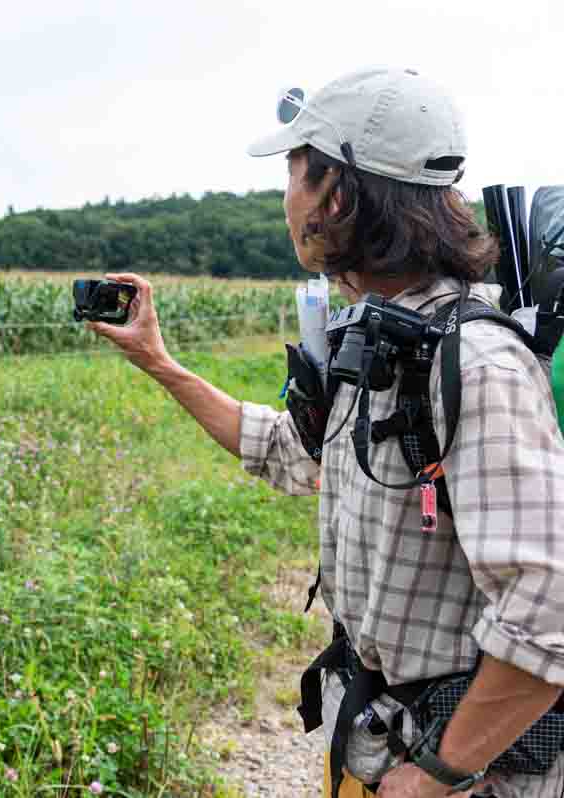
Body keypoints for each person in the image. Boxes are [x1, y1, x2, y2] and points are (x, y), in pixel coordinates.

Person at [91, 67, 564, 798]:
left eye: (294, 175)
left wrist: (438, 773)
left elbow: (549, 607)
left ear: (337, 195)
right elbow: (289, 450)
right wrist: (160, 363)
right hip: (374, 736)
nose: (286, 201)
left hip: (454, 772)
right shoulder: (381, 338)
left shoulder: (474, 359)